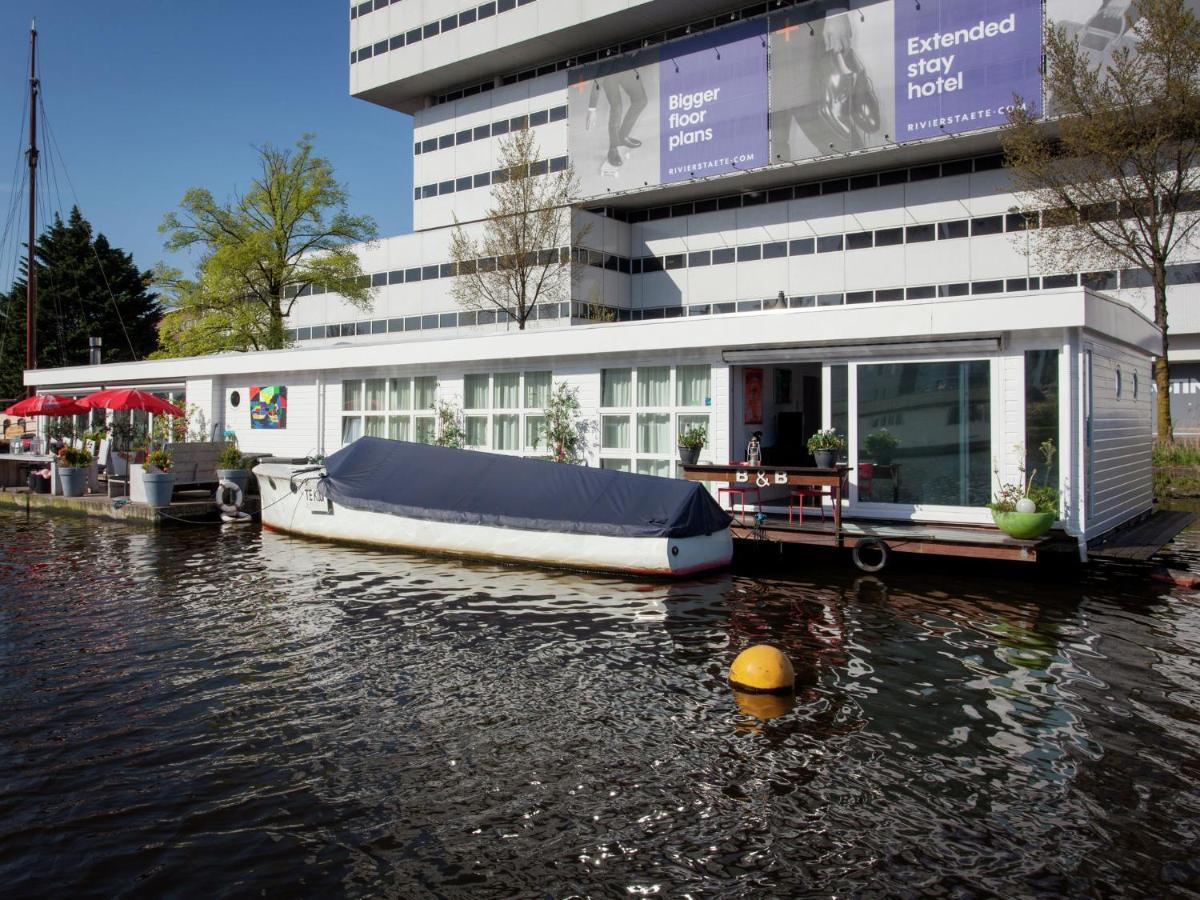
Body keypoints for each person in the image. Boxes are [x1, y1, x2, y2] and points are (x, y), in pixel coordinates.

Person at [585, 54, 648, 169]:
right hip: (610, 72)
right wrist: (592, 109)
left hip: (625, 66)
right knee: (617, 107)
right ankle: (613, 147)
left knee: (641, 100)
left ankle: (623, 136)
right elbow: (598, 81)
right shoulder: (608, 62)